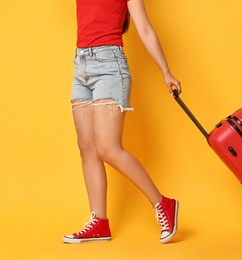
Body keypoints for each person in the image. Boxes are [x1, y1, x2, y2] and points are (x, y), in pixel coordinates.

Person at [63, 0, 181, 244]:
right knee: (87, 148)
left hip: (110, 67)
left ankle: (163, 204)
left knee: (107, 148)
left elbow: (145, 29)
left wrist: (166, 72)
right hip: (81, 65)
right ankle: (100, 222)